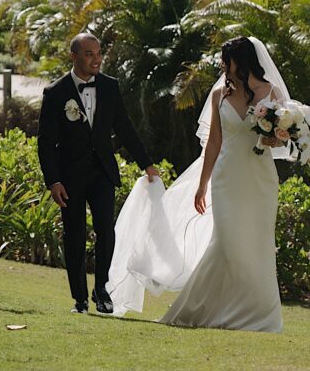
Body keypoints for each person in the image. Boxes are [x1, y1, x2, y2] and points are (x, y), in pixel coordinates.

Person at [107, 36, 293, 333]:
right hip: (226, 177)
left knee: (257, 245)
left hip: (260, 179)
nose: (223, 66)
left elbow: (282, 137)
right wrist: (202, 185)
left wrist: (276, 135)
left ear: (242, 61)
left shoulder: (271, 92)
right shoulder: (220, 93)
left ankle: (261, 315)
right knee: (227, 244)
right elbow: (214, 143)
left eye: (227, 60)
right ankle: (207, 309)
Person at [37, 32, 160, 315]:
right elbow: (45, 143)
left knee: (106, 230)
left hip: (103, 172)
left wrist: (147, 163)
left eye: (99, 53)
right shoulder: (55, 93)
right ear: (74, 56)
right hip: (69, 177)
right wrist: (53, 180)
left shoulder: (109, 87)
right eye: (90, 54)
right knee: (75, 235)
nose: (97, 59)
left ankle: (101, 288)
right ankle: (79, 299)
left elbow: (126, 129)